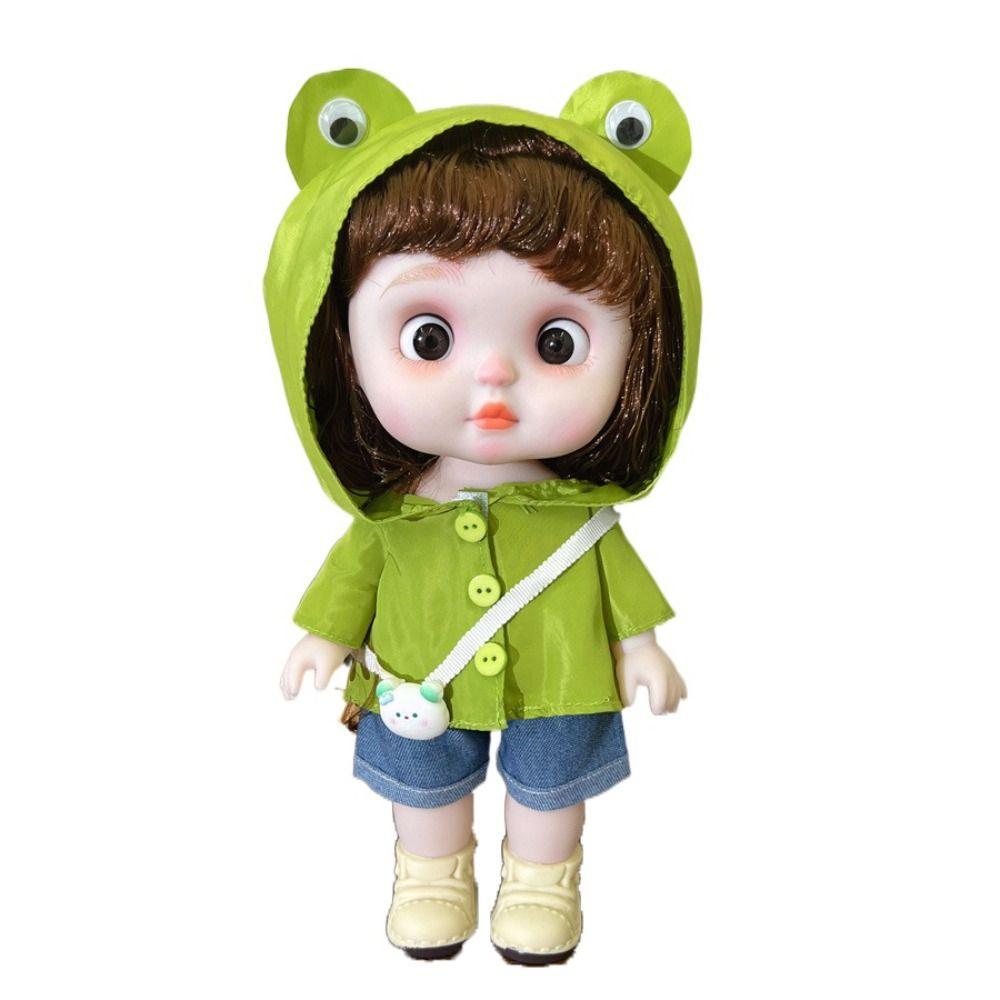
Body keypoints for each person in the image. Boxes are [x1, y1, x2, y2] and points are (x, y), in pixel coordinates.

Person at [265, 68, 701, 965]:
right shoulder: (394, 516)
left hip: (562, 673)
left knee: (552, 781)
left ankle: (542, 879)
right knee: (422, 779)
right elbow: (354, 575)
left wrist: (641, 647)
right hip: (418, 674)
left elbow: (618, 584)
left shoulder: (581, 519)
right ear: (341, 347)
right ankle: (432, 873)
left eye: (557, 342)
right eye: (428, 338)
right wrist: (324, 635)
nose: (494, 376)